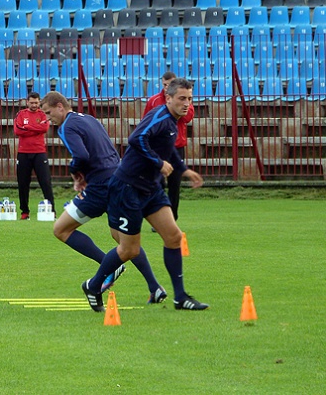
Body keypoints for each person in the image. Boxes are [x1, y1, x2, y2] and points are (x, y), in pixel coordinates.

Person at [81, 78, 209, 312]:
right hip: (128, 188)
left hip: (150, 188)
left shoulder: (173, 122)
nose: (187, 104)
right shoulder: (159, 116)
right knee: (129, 249)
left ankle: (180, 297)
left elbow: (167, 149)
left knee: (173, 237)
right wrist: (158, 162)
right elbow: (136, 139)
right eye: (182, 98)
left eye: (190, 99)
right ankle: (93, 284)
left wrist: (183, 170)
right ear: (168, 98)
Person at [41, 91, 166, 300]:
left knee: (61, 229)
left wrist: (76, 174)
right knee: (123, 241)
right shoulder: (89, 119)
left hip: (100, 186)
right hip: (119, 180)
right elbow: (109, 148)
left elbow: (81, 155)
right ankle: (155, 287)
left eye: (48, 112)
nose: (48, 118)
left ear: (60, 106)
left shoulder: (66, 127)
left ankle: (108, 267)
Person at [143, 71, 195, 223]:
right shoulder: (153, 101)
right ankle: (158, 219)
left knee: (174, 185)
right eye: (165, 85)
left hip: (176, 147)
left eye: (170, 85)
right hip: (158, 149)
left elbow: (188, 118)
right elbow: (145, 123)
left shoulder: (183, 102)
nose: (167, 87)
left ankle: (172, 218)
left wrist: (175, 108)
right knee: (157, 183)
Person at [14, 91, 55, 220]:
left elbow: (44, 129)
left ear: (39, 102)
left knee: (45, 182)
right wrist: (35, 128)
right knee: (23, 183)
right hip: (23, 152)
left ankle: (51, 211)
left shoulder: (42, 114)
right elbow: (17, 130)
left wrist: (27, 127)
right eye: (31, 102)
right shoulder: (21, 114)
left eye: (36, 102)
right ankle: (24, 212)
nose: (34, 104)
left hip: (39, 152)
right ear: (27, 102)